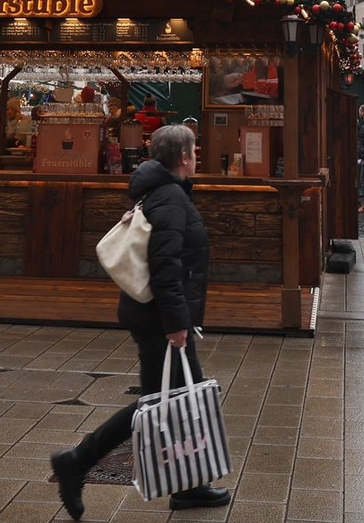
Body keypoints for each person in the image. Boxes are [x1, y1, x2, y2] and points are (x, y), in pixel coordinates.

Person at [49, 125, 230, 517]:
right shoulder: (169, 197)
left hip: (153, 312)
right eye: (194, 150)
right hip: (159, 316)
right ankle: (77, 460)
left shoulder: (162, 192)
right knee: (160, 401)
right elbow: (166, 265)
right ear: (183, 157)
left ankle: (190, 486)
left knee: (176, 397)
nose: (197, 156)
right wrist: (176, 323)